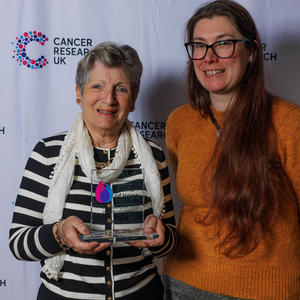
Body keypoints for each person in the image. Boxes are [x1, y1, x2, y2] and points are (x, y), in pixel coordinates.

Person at [9, 42, 177, 300]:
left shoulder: (153, 156)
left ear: (132, 100)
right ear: (79, 93)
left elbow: (171, 239)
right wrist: (58, 233)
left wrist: (162, 238)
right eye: (97, 86)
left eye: (120, 89)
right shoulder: (48, 153)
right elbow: (18, 243)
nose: (108, 99)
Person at [162, 1, 300, 299]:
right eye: (199, 46)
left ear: (251, 51)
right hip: (183, 283)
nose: (209, 58)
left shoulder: (288, 121)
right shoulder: (179, 122)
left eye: (223, 43)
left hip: (265, 290)